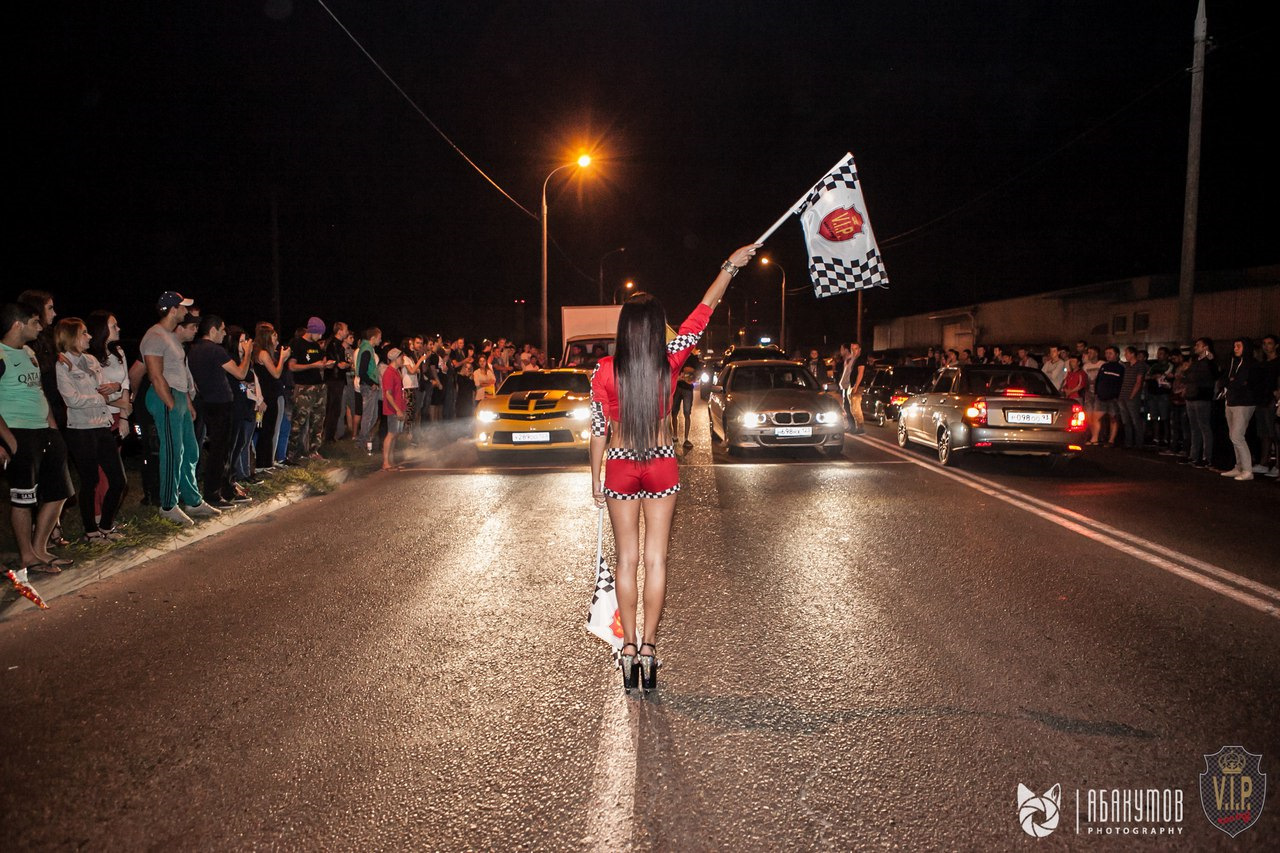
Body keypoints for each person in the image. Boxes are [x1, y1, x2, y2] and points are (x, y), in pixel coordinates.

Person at [590, 243, 758, 691]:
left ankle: (627, 650)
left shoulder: (602, 371)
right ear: (655, 329)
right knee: (656, 559)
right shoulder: (670, 361)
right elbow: (702, 313)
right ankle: (649, 648)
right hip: (661, 463)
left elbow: (598, 429)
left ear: (625, 328)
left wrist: (595, 480)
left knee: (627, 560)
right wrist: (730, 267)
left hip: (621, 466)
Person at [1, 302, 75, 589]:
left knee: (60, 492)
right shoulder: (1, 354)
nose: (40, 326)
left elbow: (39, 392)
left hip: (44, 431)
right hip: (18, 431)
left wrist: (53, 428)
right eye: (35, 322)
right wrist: (8, 439)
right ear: (18, 324)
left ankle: (40, 549)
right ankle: (27, 557)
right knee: (23, 498)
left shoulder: (29, 352)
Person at [141, 292, 221, 525]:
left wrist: (187, 402)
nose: (187, 311)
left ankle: (192, 501)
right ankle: (168, 505)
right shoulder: (154, 335)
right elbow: (155, 375)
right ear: (173, 309)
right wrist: (170, 403)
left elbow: (179, 373)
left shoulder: (171, 337)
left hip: (178, 397)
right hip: (165, 396)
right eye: (183, 307)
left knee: (191, 450)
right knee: (173, 452)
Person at [54, 317, 129, 541]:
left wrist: (115, 387)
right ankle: (90, 531)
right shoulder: (62, 364)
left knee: (119, 480)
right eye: (84, 333)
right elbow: (72, 400)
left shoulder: (91, 360)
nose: (89, 337)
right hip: (80, 429)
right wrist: (100, 396)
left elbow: (108, 391)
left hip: (102, 425)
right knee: (90, 481)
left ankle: (106, 525)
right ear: (71, 337)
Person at [189, 315, 252, 507]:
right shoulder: (215, 350)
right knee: (221, 451)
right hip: (221, 405)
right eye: (222, 329)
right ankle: (214, 494)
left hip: (206, 402)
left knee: (218, 450)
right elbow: (240, 373)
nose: (225, 334)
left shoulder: (194, 349)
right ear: (213, 330)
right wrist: (248, 353)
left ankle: (223, 489)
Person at [287, 317, 334, 461]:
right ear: (312, 330)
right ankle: (292, 453)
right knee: (299, 421)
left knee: (318, 420)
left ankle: (314, 451)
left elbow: (320, 361)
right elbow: (292, 366)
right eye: (318, 333)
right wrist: (313, 365)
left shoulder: (316, 346)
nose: (320, 337)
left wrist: (327, 365)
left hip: (319, 386)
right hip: (304, 387)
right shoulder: (297, 343)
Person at [1221, 338, 1262, 481]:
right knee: (1233, 436)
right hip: (1230, 401)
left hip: (1244, 403)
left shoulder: (1252, 363)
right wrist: (1232, 381)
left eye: (1238, 346)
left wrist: (1233, 381)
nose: (1235, 348)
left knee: (1237, 436)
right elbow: (1225, 379)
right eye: (1234, 346)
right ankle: (1238, 467)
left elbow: (1242, 382)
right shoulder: (1233, 362)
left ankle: (1247, 470)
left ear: (1246, 347)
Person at [251, 322, 289, 471]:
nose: (276, 340)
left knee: (268, 429)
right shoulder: (263, 354)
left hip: (268, 393)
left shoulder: (260, 352)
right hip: (269, 394)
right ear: (266, 337)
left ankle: (265, 463)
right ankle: (264, 463)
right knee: (269, 430)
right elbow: (276, 373)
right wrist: (283, 358)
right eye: (274, 337)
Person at [1182, 337, 1218, 468]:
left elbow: (1213, 375)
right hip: (1191, 396)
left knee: (1204, 427)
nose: (1195, 347)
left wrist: (1210, 358)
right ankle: (1193, 455)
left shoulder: (1209, 361)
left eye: (1198, 345)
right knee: (1194, 427)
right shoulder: (1196, 361)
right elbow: (1186, 376)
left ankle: (1206, 457)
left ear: (1205, 347)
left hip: (1202, 396)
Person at [1252, 334, 1279, 477]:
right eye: (1264, 343)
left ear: (1276, 345)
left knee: (1275, 434)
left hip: (1272, 401)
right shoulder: (1261, 364)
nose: (1266, 346)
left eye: (1269, 343)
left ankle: (1277, 466)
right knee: (1264, 434)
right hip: (1261, 401)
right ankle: (1264, 463)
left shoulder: (1278, 362)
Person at [321, 321, 350, 444]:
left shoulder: (338, 345)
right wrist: (343, 364)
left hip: (338, 379)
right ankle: (327, 437)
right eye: (346, 329)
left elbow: (342, 363)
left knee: (336, 409)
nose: (347, 332)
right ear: (339, 331)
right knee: (332, 408)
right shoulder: (333, 344)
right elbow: (337, 363)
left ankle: (330, 436)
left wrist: (346, 364)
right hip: (334, 380)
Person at [354, 328, 382, 450]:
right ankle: (361, 443)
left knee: (373, 416)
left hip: (370, 386)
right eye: (379, 338)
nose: (380, 340)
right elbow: (362, 371)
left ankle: (364, 439)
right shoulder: (366, 350)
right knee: (368, 416)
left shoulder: (368, 349)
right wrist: (371, 383)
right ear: (373, 338)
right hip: (368, 386)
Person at [1090, 346, 1123, 446]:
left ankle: (1111, 440)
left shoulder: (1121, 368)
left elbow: (1122, 383)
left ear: (1117, 354)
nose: (1108, 355)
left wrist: (1118, 395)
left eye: (1110, 353)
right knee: (1095, 418)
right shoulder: (1104, 366)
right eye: (1106, 353)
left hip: (1114, 398)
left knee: (1113, 419)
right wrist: (1097, 392)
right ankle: (1094, 438)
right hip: (1101, 397)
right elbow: (1098, 380)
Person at [380, 347, 406, 470]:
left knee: (395, 434)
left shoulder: (395, 371)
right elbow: (388, 394)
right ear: (395, 358)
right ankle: (386, 462)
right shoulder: (389, 373)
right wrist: (397, 409)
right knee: (391, 434)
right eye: (401, 357)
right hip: (393, 409)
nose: (403, 359)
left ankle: (391, 460)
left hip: (398, 407)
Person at [1117, 346, 1147, 448]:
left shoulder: (1140, 365)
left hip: (1132, 396)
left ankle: (1139, 443)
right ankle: (1128, 442)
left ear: (1132, 354)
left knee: (1135, 420)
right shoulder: (1126, 366)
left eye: (1127, 353)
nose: (1125, 355)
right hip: (1122, 395)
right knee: (1126, 420)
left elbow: (1138, 381)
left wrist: (1132, 395)